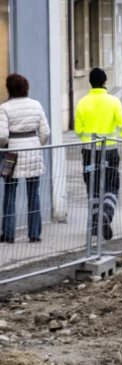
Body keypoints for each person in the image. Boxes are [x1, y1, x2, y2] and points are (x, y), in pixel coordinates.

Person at [75, 68, 122, 241]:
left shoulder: (82, 103)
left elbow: (78, 130)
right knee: (111, 186)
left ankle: (95, 223)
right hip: (109, 153)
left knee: (92, 189)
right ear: (105, 82)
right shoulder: (114, 102)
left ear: (90, 83)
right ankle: (106, 215)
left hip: (89, 152)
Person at [0, 74, 51, 244]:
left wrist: (7, 145)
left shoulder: (4, 108)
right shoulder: (36, 105)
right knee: (34, 194)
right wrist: (36, 143)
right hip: (33, 151)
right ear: (25, 88)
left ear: (9, 89)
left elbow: (2, 136)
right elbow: (45, 133)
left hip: (12, 154)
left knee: (10, 193)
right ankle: (34, 234)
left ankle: (8, 234)